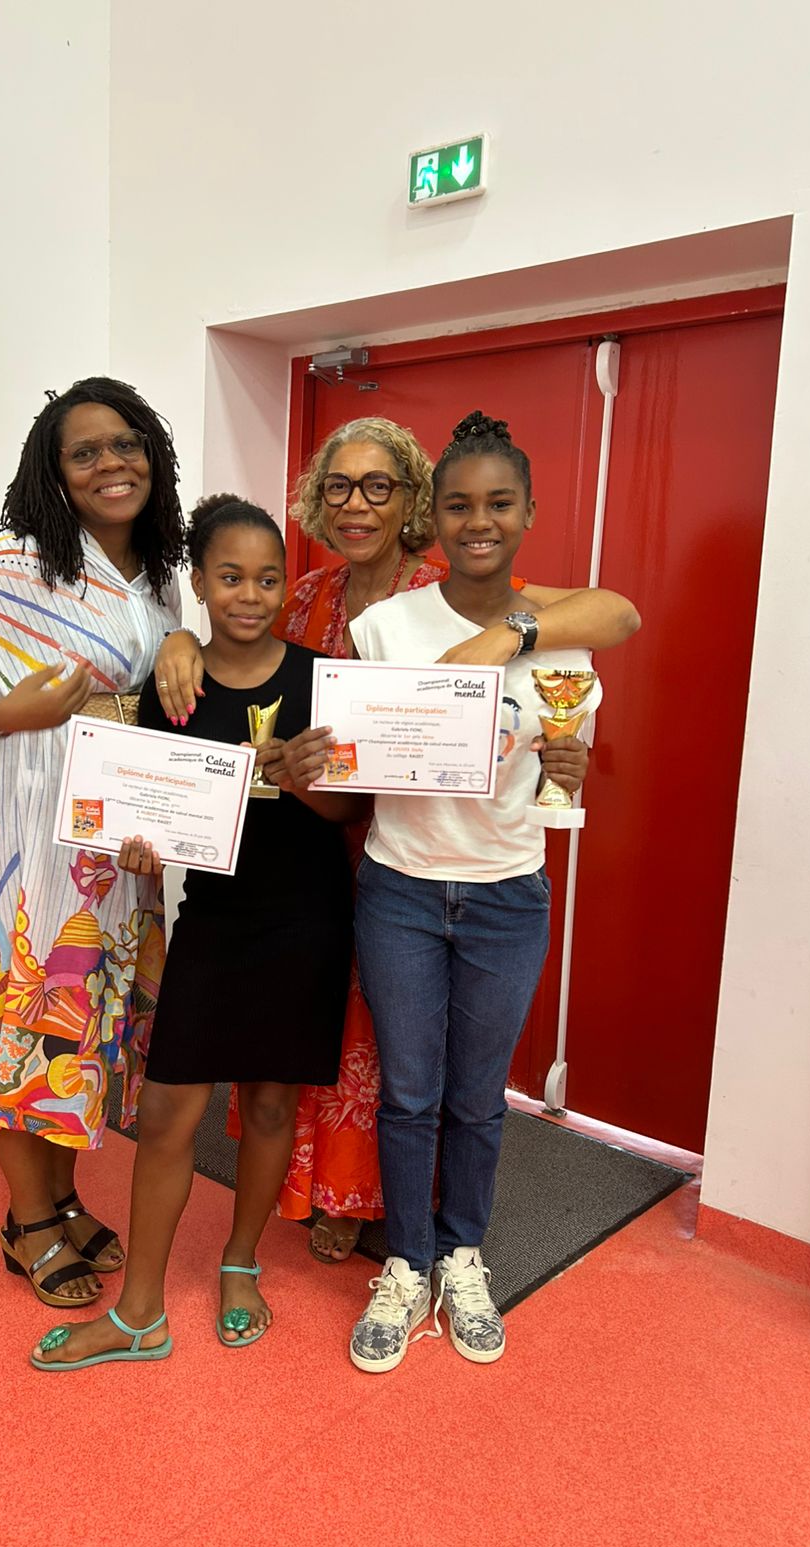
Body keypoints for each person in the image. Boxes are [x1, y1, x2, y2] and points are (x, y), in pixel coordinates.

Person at [153, 418, 639, 1265]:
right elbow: (242, 637)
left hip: (417, 846)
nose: (357, 504)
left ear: (413, 498)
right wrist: (183, 635)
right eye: (338, 486)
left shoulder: (456, 583)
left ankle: (388, 1210)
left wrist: (507, 636)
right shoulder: (303, 593)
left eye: (379, 486)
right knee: (332, 1045)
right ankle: (331, 1196)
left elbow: (613, 613)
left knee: (390, 1052)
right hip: (314, 843)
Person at [29, 494, 367, 1370]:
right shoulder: (172, 683)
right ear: (201, 583)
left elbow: (348, 812)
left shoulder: (325, 679)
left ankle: (240, 1263)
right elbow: (143, 808)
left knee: (269, 1106)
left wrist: (297, 778)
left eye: (268, 578)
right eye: (231, 577)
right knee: (169, 1109)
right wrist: (139, 847)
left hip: (308, 919)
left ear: (285, 585)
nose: (250, 596)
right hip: (213, 920)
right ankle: (140, 1311)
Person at [337, 410, 628, 1372]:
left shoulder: (560, 641)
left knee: (476, 1099)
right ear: (435, 514)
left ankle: (463, 1256)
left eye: (500, 503)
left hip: (508, 893)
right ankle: (405, 1264)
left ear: (529, 512)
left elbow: (568, 756)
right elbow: (357, 753)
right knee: (409, 1095)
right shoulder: (385, 627)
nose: (479, 522)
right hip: (402, 890)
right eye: (459, 505)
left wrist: (572, 767)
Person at [0, 377, 186, 1311]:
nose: (111, 464)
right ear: (55, 469)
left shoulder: (161, 572)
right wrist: (4, 713)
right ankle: (28, 1221)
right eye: (85, 452)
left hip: (112, 835)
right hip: (21, 824)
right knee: (25, 1014)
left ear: (152, 454)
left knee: (88, 1022)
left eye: (127, 444)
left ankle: (64, 1198)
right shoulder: (17, 559)